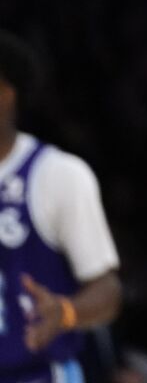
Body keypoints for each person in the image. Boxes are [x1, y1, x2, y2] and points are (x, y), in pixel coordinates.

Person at [0, 30, 122, 382]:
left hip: (39, 373)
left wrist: (66, 312)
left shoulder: (57, 174)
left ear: (8, 94)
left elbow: (108, 291)